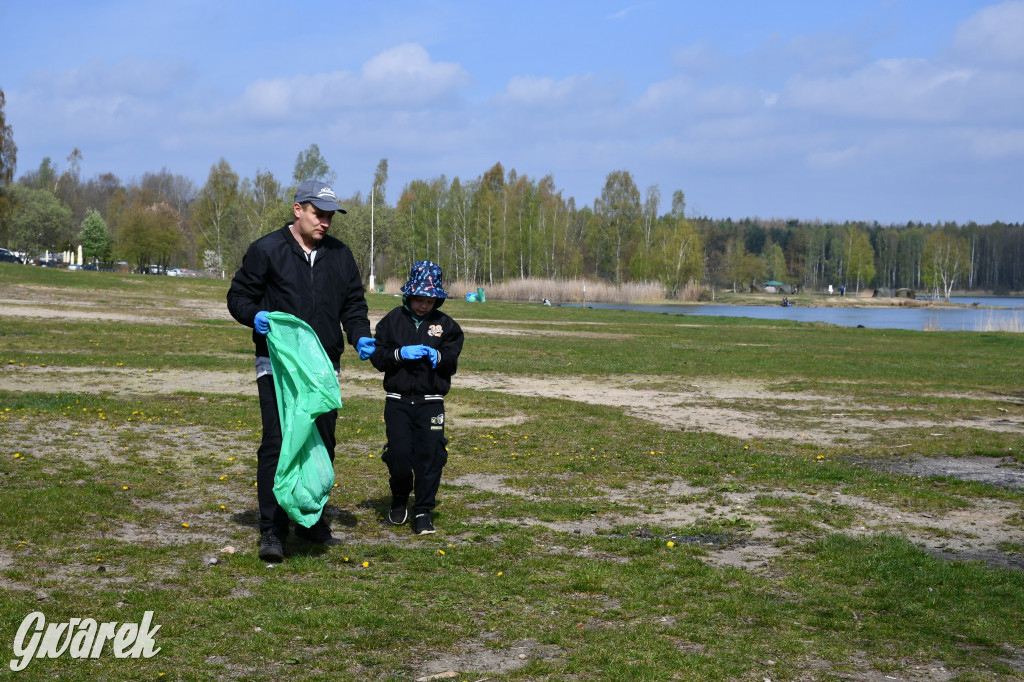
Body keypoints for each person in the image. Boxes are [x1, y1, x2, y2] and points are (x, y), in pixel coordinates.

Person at [227, 179, 376, 562]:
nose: (325, 222)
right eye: (318, 214)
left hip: (324, 368)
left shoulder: (341, 256)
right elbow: (238, 296)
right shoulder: (267, 250)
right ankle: (272, 531)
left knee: (321, 445)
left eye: (329, 216)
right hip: (276, 366)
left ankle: (311, 524)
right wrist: (253, 315)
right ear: (298, 209)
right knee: (278, 444)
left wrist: (360, 336)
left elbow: (354, 307)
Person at [369, 260, 464, 535]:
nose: (424, 305)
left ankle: (423, 510)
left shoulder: (447, 326)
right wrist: (399, 355)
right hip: (397, 401)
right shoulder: (391, 322)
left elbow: (452, 362)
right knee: (399, 456)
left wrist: (440, 357)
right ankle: (399, 499)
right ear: (409, 295)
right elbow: (378, 357)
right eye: (419, 299)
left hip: (431, 402)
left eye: (430, 300)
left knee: (431, 456)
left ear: (437, 299)